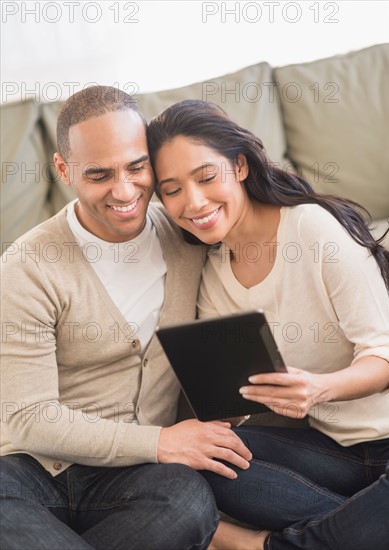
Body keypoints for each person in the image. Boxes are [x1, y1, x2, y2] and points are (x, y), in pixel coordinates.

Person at [0, 87, 253, 550]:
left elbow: (256, 229)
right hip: (28, 471)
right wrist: (161, 443)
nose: (124, 190)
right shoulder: (26, 267)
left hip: (131, 481)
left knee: (188, 504)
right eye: (98, 174)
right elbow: (29, 418)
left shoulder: (185, 233)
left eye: (137, 167)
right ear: (63, 170)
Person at [147, 99, 389, 550]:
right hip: (336, 454)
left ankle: (259, 545)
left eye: (206, 177)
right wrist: (198, 430)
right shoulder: (214, 273)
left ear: (239, 166)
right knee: (202, 460)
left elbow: (383, 357)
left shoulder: (312, 229)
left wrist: (321, 388)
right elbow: (232, 396)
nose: (194, 202)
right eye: (172, 189)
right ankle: (360, 525)